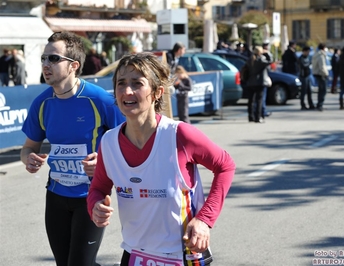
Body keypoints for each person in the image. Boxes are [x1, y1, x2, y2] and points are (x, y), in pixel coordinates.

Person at [86, 52, 235, 266]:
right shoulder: (108, 142)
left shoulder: (179, 135)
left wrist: (204, 220)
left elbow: (226, 166)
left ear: (157, 93)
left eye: (137, 83)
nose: (127, 91)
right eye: (121, 83)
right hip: (134, 255)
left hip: (183, 255)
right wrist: (96, 205)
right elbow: (98, 189)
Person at [20, 31, 125, 266]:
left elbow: (128, 142)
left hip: (91, 195)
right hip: (56, 196)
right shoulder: (42, 103)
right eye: (44, 59)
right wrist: (29, 159)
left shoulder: (99, 100)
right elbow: (28, 148)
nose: (46, 65)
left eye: (54, 59)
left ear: (74, 65)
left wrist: (105, 162)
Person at [244, 46, 271, 123]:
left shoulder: (250, 59)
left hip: (250, 82)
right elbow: (269, 61)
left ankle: (250, 116)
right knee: (259, 100)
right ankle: (258, 117)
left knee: (251, 100)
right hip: (259, 82)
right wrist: (267, 53)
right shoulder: (260, 59)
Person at [312, 43, 329, 111]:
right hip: (321, 74)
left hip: (317, 73)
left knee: (320, 90)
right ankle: (320, 105)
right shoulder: (321, 55)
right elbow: (322, 66)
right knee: (323, 90)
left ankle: (319, 104)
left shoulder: (316, 54)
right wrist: (325, 74)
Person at [297, 46, 315, 110]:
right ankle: (303, 105)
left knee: (309, 91)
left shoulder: (308, 57)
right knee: (303, 91)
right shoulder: (301, 58)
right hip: (303, 76)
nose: (308, 53)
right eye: (307, 52)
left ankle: (311, 104)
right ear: (304, 51)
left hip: (308, 75)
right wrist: (309, 63)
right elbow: (303, 65)